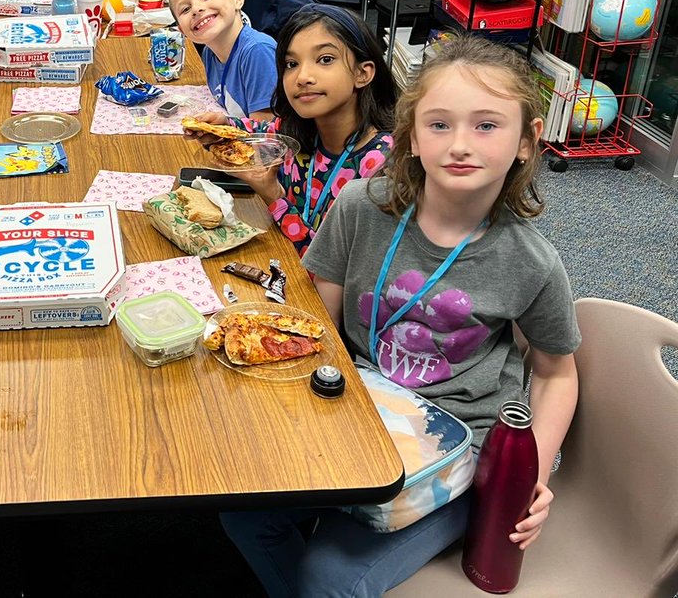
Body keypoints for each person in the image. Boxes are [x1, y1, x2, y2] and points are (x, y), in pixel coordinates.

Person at [221, 35, 581, 598]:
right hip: (363, 411)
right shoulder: (361, 207)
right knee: (243, 514)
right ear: (410, 137)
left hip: (460, 451)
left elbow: (559, 373)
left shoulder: (529, 260)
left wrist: (531, 473)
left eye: (486, 125)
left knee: (328, 578)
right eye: (439, 125)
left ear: (527, 141)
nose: (460, 144)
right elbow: (320, 325)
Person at [191, 4, 397, 256]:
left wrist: (274, 196)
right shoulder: (298, 130)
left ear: (362, 73)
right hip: (280, 261)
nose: (303, 76)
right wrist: (225, 127)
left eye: (325, 59)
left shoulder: (378, 167)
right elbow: (262, 129)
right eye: (291, 63)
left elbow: (330, 267)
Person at [170, 0, 276, 121]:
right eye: (185, 9)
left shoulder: (257, 52)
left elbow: (264, 134)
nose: (197, 9)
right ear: (181, 30)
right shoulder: (209, 53)